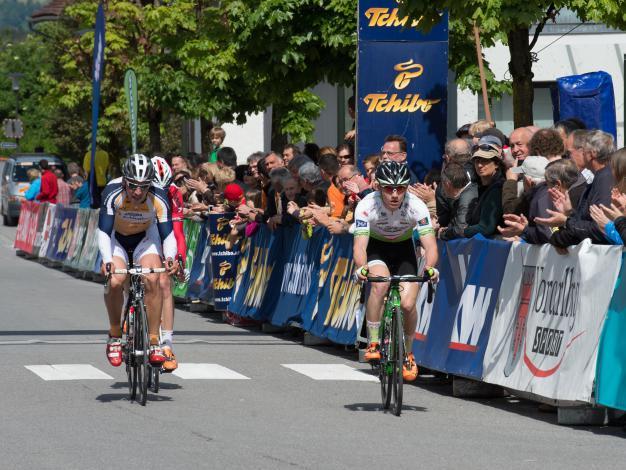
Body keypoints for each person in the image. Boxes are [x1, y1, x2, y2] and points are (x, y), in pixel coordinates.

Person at [353, 161, 439, 382]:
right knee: (380, 284)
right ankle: (373, 342)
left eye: (400, 188)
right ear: (378, 186)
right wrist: (361, 268)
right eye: (388, 188)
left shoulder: (416, 206)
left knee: (408, 304)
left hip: (403, 251)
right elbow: (360, 245)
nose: (394, 194)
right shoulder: (366, 205)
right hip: (376, 248)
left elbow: (430, 245)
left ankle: (408, 354)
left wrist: (430, 268)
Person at [98, 153, 179, 368]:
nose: (137, 192)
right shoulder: (111, 192)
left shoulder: (158, 196)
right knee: (115, 280)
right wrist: (107, 260)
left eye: (143, 186)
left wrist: (170, 257)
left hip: (145, 239)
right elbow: (104, 232)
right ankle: (115, 334)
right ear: (124, 180)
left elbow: (167, 234)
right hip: (117, 239)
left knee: (152, 277)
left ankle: (154, 340)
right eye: (133, 185)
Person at [537, 130, 615, 249]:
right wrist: (569, 213)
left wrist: (565, 221)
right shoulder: (601, 178)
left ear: (592, 153)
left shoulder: (605, 179)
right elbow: (585, 222)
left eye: (583, 150)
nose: (580, 154)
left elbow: (600, 228)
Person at [151, 156, 187, 372]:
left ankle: (167, 345)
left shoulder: (173, 193)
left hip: (165, 236)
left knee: (165, 283)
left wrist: (179, 260)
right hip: (141, 234)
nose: (162, 192)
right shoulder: (138, 191)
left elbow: (178, 233)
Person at [464, 146, 505, 238]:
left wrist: (462, 231)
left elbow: (486, 227)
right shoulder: (480, 187)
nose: (479, 165)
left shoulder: (497, 189)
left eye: (485, 161)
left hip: (496, 246)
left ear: (496, 164)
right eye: (477, 161)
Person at [437, 162, 478, 240]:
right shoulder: (465, 192)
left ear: (447, 184)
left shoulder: (466, 199)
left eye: (442, 184)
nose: (442, 188)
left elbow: (460, 230)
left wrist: (443, 234)